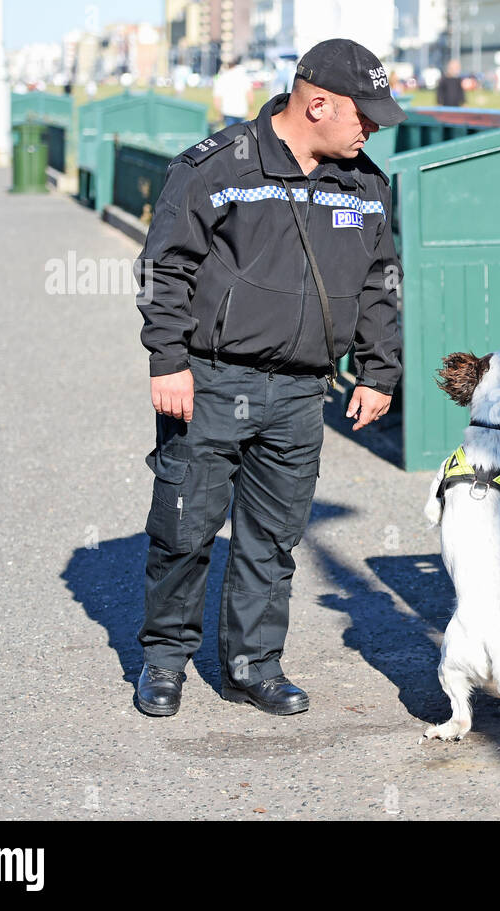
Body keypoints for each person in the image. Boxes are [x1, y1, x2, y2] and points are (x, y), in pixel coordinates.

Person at [132, 38, 406, 717]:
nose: (371, 128)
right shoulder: (216, 169)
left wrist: (378, 370)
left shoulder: (366, 186)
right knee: (184, 528)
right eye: (362, 115)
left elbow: (379, 284)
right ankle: (164, 661)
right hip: (212, 381)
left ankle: (254, 664)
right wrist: (168, 360)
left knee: (273, 539)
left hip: (300, 392)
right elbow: (164, 267)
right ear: (316, 103)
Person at [213, 58, 254, 127]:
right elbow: (250, 95)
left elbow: (217, 98)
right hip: (242, 110)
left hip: (227, 111)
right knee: (241, 134)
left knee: (230, 134)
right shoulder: (244, 77)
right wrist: (251, 109)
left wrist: (219, 113)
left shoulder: (222, 78)